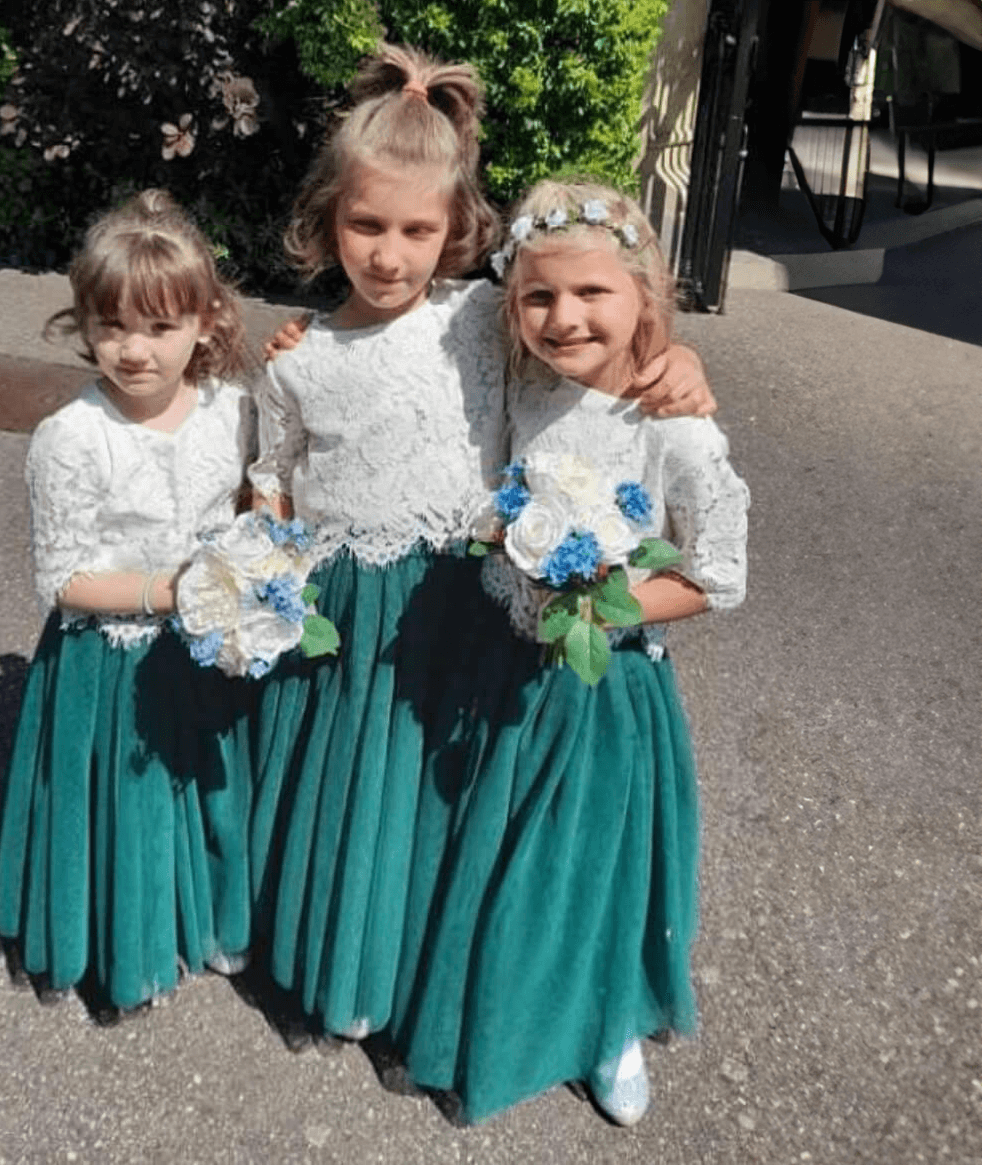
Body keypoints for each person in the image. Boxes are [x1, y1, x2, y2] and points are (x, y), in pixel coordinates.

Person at [247, 45, 715, 1053]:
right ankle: (350, 964)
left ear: (454, 231)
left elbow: (588, 307)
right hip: (355, 598)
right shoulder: (299, 358)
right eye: (365, 224)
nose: (387, 252)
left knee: (437, 794)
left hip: (465, 591)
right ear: (324, 221)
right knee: (355, 780)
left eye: (417, 229)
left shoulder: (478, 318)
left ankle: (429, 968)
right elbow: (272, 471)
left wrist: (675, 354)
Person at [391, 178, 750, 1125]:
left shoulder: (672, 421)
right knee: (498, 841)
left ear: (646, 295)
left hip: (602, 679)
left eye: (594, 293)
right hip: (501, 658)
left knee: (592, 862)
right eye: (540, 297)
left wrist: (600, 597)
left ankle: (607, 1021)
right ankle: (492, 995)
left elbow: (718, 573)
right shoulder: (525, 382)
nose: (564, 316)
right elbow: (403, 293)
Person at [0, 189, 256, 1013]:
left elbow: (253, 503)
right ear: (83, 325)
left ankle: (210, 916)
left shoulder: (231, 409)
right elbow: (62, 579)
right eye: (111, 327)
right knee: (131, 801)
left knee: (208, 786)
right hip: (109, 656)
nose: (133, 350)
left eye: (159, 327)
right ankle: (128, 934)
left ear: (205, 322)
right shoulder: (71, 438)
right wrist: (166, 593)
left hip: (205, 644)